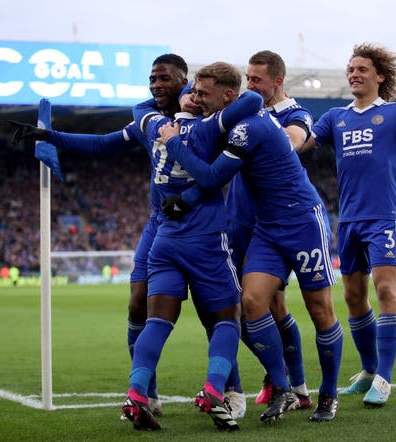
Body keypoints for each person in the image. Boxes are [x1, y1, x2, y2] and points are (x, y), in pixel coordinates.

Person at [157, 61, 343, 423]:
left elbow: (211, 176)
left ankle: (329, 394)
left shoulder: (247, 127)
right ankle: (282, 386)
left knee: (320, 309)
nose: (198, 99)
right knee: (252, 302)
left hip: (302, 219)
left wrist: (174, 144)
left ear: (228, 95)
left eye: (204, 94)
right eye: (195, 92)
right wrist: (185, 200)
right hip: (267, 227)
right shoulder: (234, 123)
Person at [10, 53, 190, 416]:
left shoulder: (207, 112)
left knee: (215, 312)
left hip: (205, 223)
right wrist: (52, 136)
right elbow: (104, 143)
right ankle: (147, 392)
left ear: (184, 80)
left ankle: (229, 390)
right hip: (160, 222)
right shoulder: (146, 117)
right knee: (137, 301)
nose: (156, 84)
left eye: (165, 78)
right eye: (152, 78)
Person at [301, 43, 396, 407]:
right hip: (349, 218)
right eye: (350, 69)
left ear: (379, 76)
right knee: (354, 297)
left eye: (362, 69)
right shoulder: (335, 117)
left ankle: (384, 378)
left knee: (386, 290)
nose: (354, 74)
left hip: (383, 216)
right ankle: (368, 370)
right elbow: (301, 145)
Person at [124, 65, 263, 431]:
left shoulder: (156, 126)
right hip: (205, 241)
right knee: (227, 320)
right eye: (196, 93)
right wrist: (211, 106)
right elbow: (252, 99)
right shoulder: (209, 127)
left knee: (157, 320)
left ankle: (137, 393)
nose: (198, 97)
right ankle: (215, 389)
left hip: (164, 240)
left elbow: (133, 119)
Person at [233, 50, 314, 409]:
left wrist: (259, 129)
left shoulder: (294, 115)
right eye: (246, 78)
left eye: (256, 80)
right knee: (244, 307)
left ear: (277, 81)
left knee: (269, 305)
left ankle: (293, 385)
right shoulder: (247, 110)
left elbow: (294, 140)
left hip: (270, 223)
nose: (249, 86)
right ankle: (280, 376)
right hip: (237, 219)